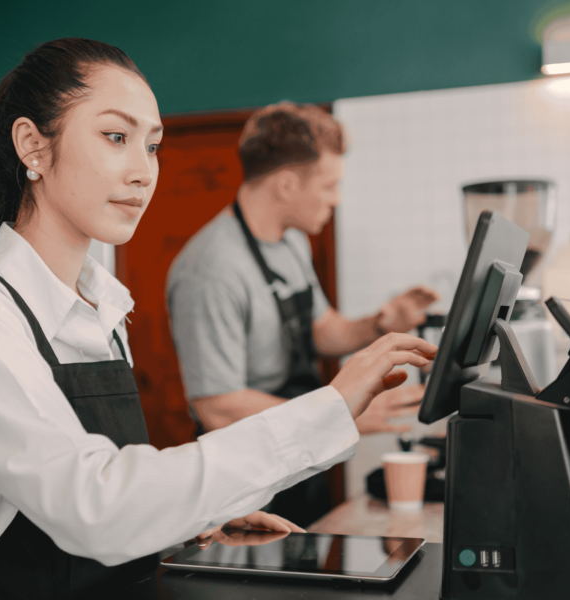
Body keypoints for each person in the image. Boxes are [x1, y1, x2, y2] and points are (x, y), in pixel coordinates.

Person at [0, 39, 436, 599]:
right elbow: (92, 505)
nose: (143, 171)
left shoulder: (103, 309)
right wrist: (333, 406)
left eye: (152, 146)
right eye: (116, 137)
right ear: (33, 145)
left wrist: (199, 519)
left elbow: (121, 476)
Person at [166, 102, 439, 527]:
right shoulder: (210, 271)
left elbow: (323, 329)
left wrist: (383, 322)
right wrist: (338, 413)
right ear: (287, 185)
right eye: (330, 186)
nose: (337, 199)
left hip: (299, 459)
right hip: (245, 481)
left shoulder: (291, 242)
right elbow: (218, 406)